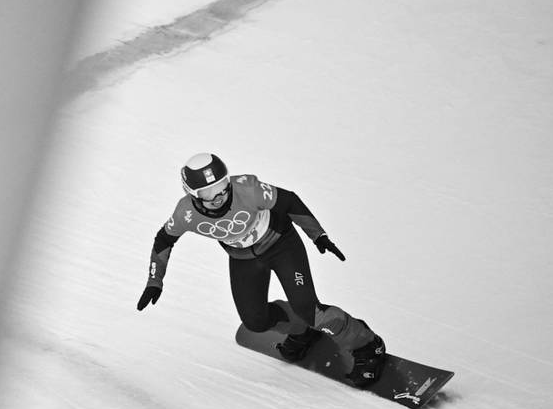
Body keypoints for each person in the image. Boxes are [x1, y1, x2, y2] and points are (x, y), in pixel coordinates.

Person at [136, 153, 386, 387]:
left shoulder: (247, 188)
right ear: (192, 193)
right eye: (209, 191)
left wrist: (317, 235)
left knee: (309, 310)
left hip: (281, 244)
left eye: (222, 185)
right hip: (243, 258)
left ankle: (367, 345)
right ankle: (301, 331)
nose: (220, 195)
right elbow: (163, 240)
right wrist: (154, 281)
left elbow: (289, 200)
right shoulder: (185, 214)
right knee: (255, 322)